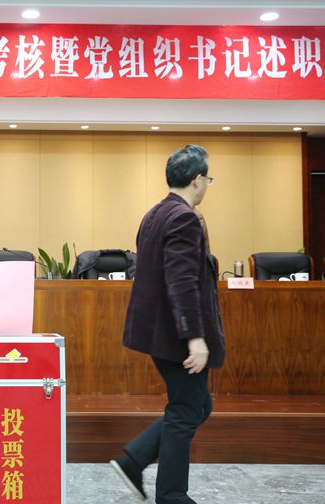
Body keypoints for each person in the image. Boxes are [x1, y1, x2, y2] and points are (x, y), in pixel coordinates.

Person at [110, 144, 225, 504]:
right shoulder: (184, 218)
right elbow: (181, 281)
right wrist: (195, 338)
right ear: (197, 180)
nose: (207, 185)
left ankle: (135, 460)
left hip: (158, 333)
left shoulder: (154, 214)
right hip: (175, 335)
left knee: (197, 405)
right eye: (208, 179)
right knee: (187, 409)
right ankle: (171, 494)